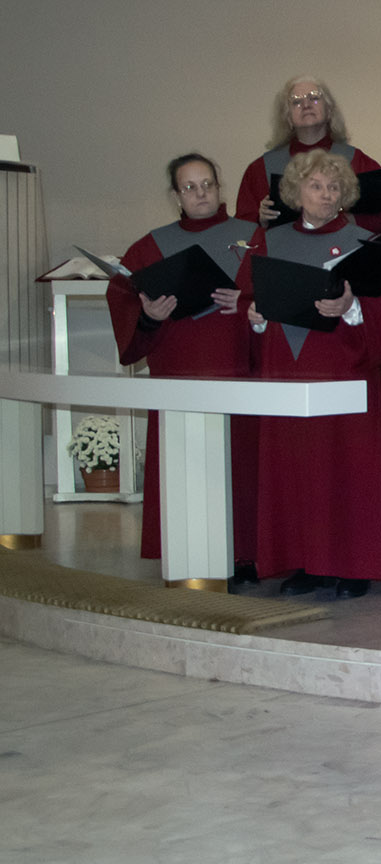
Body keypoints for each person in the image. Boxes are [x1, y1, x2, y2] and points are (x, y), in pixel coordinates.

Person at [239, 150, 381, 599]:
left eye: (334, 187)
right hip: (286, 370)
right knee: (296, 468)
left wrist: (352, 307)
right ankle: (305, 563)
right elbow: (245, 300)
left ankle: (353, 566)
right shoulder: (268, 241)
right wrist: (255, 318)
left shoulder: (366, 243)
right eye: (315, 186)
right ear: (295, 191)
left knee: (348, 469)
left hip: (343, 369)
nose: (326, 194)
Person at [105, 154, 258, 577]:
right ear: (176, 195)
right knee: (184, 465)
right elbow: (122, 295)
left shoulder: (253, 239)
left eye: (207, 184)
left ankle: (245, 555)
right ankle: (183, 548)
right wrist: (148, 315)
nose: (200, 193)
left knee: (240, 466)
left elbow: (279, 294)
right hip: (177, 369)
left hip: (238, 371)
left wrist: (246, 300)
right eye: (189, 187)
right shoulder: (149, 247)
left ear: (219, 186)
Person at [235, 76, 381, 229]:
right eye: (296, 101)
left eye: (314, 98)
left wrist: (346, 218)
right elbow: (242, 231)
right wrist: (261, 221)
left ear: (329, 111)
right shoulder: (260, 169)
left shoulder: (358, 161)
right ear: (287, 117)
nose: (306, 105)